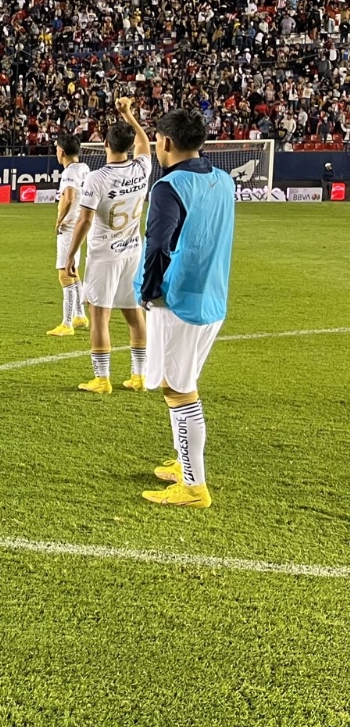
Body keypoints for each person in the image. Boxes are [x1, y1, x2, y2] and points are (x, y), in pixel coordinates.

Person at [137, 109, 234, 508]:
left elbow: (158, 246)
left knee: (178, 390)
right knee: (182, 381)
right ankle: (183, 462)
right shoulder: (223, 180)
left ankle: (194, 484)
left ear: (166, 142)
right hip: (212, 297)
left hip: (179, 301)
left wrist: (148, 291)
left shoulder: (168, 186)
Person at [65, 97, 153, 393]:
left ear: (105, 144)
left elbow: (85, 221)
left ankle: (102, 378)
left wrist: (70, 254)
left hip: (104, 255)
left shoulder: (97, 178)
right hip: (132, 252)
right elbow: (144, 143)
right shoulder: (142, 169)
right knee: (133, 313)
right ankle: (139, 376)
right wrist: (129, 114)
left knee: (98, 316)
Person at [48, 135, 92, 336]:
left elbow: (69, 196)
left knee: (64, 273)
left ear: (61, 152)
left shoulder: (68, 173)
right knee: (73, 270)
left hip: (69, 227)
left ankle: (66, 324)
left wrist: (60, 219)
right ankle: (80, 315)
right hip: (81, 225)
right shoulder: (84, 168)